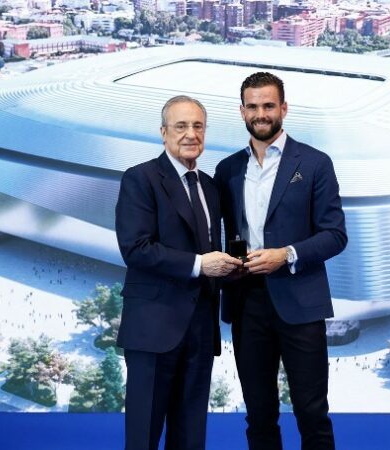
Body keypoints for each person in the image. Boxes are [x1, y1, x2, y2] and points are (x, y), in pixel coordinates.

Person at [214, 73, 347, 450]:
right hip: (246, 304)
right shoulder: (226, 170)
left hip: (300, 303)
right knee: (258, 414)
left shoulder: (316, 163)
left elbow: (335, 234)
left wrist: (285, 255)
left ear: (283, 109)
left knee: (311, 411)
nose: (261, 113)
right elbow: (224, 234)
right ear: (242, 111)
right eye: (253, 106)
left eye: (268, 105)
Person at [115, 95, 242, 450]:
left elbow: (212, 249)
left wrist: (238, 267)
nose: (190, 134)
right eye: (181, 126)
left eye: (198, 126)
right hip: (153, 331)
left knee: (191, 438)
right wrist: (202, 265)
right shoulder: (140, 179)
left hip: (200, 330)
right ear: (163, 132)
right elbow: (136, 249)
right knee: (144, 437)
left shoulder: (211, 187)